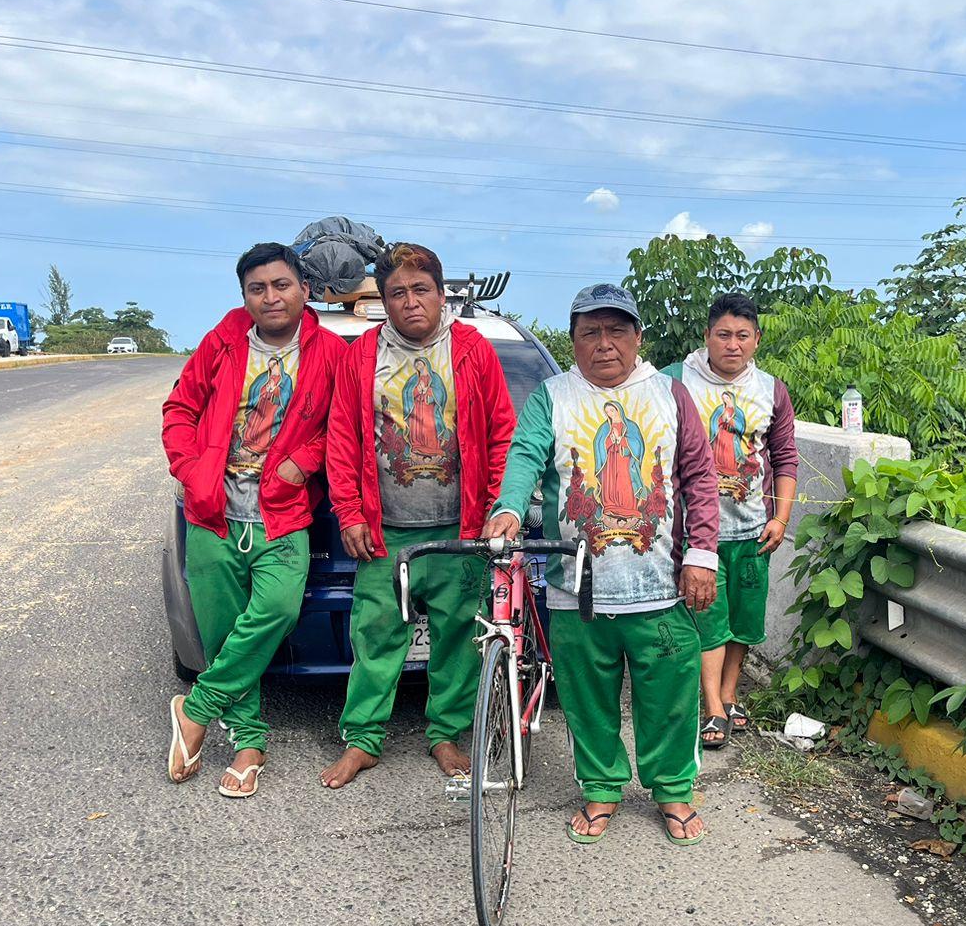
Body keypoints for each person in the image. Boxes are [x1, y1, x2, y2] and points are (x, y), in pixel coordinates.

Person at [484, 283, 719, 846]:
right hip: (576, 587)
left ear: (637, 338)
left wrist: (703, 555)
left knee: (669, 695)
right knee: (587, 697)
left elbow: (700, 478)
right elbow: (524, 458)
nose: (604, 344)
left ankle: (674, 791)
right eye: (590, 332)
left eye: (617, 331)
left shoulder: (669, 394)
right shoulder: (552, 396)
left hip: (660, 584)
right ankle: (601, 787)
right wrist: (510, 508)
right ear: (574, 341)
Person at [320, 243, 516, 789]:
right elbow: (341, 440)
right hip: (385, 532)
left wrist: (496, 508)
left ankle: (446, 733)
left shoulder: (472, 350)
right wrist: (350, 512)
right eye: (397, 293)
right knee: (377, 633)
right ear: (384, 301)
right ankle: (362, 739)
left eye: (421, 289)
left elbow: (502, 433)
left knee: (457, 636)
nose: (410, 302)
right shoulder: (360, 356)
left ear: (440, 292)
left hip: (461, 526)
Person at [161, 242, 343, 798]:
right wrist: (194, 472)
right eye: (257, 288)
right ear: (245, 295)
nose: (271, 297)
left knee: (276, 611)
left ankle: (195, 709)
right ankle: (248, 741)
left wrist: (301, 463)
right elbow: (179, 411)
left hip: (282, 515)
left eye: (281, 285)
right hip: (213, 513)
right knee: (221, 632)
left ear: (304, 290)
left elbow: (341, 427)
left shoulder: (330, 352)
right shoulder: (221, 343)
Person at [663, 293, 798, 748]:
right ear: (707, 336)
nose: (733, 345)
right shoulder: (675, 381)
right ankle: (713, 709)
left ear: (756, 339)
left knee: (742, 620)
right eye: (723, 334)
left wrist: (780, 518)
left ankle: (729, 694)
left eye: (743, 336)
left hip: (751, 527)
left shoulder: (771, 390)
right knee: (709, 620)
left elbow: (785, 459)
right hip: (699, 533)